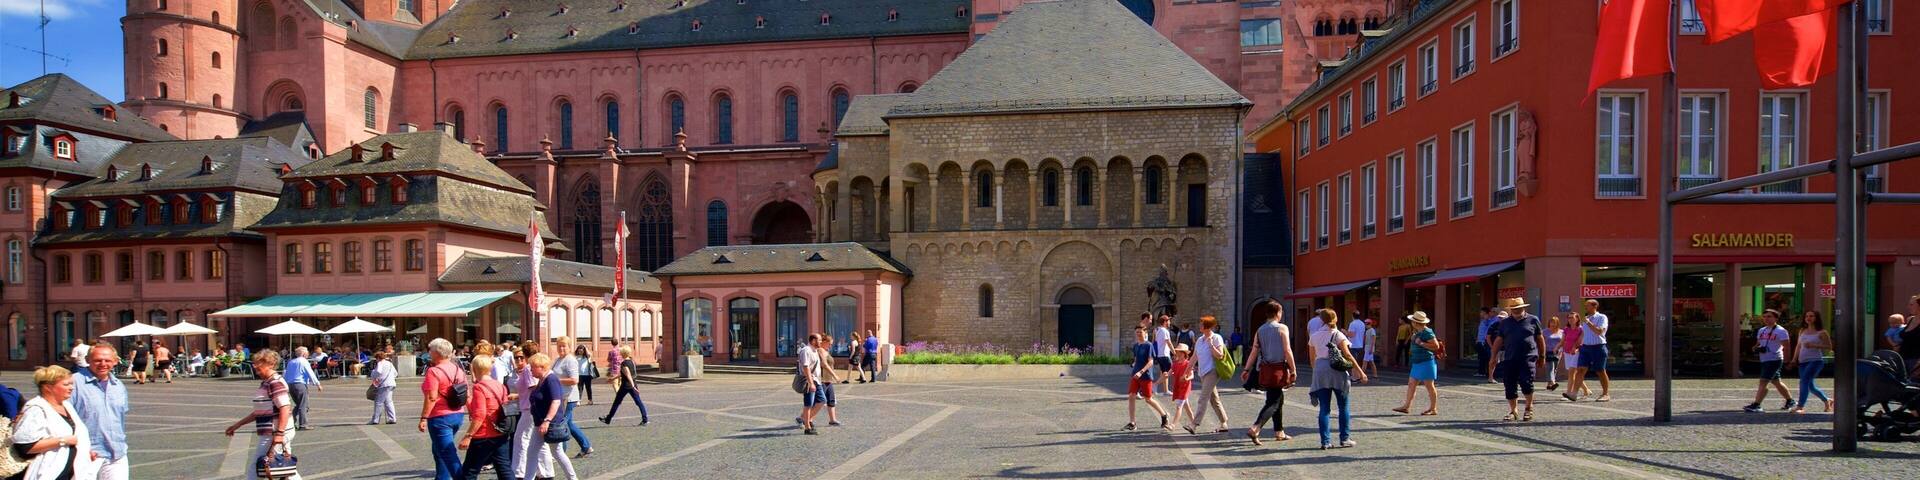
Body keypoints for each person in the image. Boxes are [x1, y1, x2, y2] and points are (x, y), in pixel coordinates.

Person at [14, 365, 96, 480]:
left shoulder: (66, 405)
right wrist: (63, 441)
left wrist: (84, 451)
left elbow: (76, 434)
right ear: (48, 387)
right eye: (66, 384)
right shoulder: (36, 409)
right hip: (50, 472)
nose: (71, 388)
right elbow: (25, 446)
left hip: (72, 472)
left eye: (71, 384)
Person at [224, 349, 292, 480]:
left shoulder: (275, 382)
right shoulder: (267, 382)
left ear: (271, 364)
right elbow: (261, 411)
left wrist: (279, 433)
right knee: (284, 467)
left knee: (257, 467)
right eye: (255, 364)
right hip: (271, 430)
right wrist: (237, 425)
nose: (255, 367)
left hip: (273, 431)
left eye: (259, 364)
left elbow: (285, 407)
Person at [1307, 309, 1367, 449]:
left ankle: (1325, 441)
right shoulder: (1338, 334)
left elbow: (1311, 360)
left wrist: (1318, 371)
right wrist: (1360, 372)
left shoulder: (1314, 336)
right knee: (1343, 406)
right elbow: (1347, 355)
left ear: (1321, 320)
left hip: (1320, 370)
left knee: (1324, 409)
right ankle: (1345, 439)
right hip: (1337, 371)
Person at [71, 343, 130, 480]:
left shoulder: (118, 385)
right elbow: (63, 418)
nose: (103, 364)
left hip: (117, 453)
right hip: (87, 454)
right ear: (87, 360)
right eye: (97, 360)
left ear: (115, 361)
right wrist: (78, 448)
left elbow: (119, 419)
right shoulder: (73, 383)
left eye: (108, 360)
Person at [1242, 299, 1294, 445]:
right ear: (1278, 313)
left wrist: (1246, 369)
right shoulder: (1282, 328)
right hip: (1278, 370)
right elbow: (1287, 350)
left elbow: (1254, 352)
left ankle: (1279, 431)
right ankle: (1256, 427)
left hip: (1264, 369)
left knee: (1277, 399)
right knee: (1273, 402)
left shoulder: (1260, 330)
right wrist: (1293, 369)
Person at [1487, 299, 1546, 422]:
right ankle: (1513, 411)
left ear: (1524, 307)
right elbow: (1499, 340)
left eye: (1518, 308)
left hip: (1528, 356)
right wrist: (1493, 357)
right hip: (1510, 357)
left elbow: (1540, 339)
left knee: (1526, 382)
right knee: (1509, 384)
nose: (1516, 310)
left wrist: (1542, 356)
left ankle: (1529, 408)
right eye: (1514, 308)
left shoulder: (1533, 320)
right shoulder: (1505, 323)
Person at [523, 352, 579, 480]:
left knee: (555, 452)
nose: (530, 370)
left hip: (550, 424)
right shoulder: (542, 380)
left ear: (541, 367)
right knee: (535, 452)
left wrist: (547, 421)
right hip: (541, 423)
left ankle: (573, 478)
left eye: (532, 367)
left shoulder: (551, 379)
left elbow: (556, 401)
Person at [456, 355, 511, 480]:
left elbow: (480, 414)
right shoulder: (500, 386)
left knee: (469, 472)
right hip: (500, 432)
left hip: (484, 434)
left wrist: (468, 436)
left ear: (474, 369)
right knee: (504, 469)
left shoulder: (479, 387)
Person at [421, 338, 468, 480]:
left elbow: (431, 397)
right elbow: (467, 392)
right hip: (457, 414)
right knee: (439, 449)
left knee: (447, 452)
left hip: (440, 416)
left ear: (437, 353)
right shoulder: (458, 370)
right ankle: (442, 477)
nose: (429, 352)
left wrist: (424, 417)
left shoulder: (433, 371)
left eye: (431, 350)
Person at [510, 343, 555, 480]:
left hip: (529, 409)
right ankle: (545, 472)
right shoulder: (533, 367)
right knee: (538, 441)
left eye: (520, 356)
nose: (518, 360)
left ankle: (520, 472)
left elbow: (534, 387)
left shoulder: (529, 369)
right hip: (531, 408)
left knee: (521, 439)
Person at [1743, 309, 1795, 413]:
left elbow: (1787, 346)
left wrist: (1787, 360)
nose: (1766, 318)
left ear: (1776, 318)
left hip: (1775, 359)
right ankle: (1790, 401)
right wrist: (1755, 347)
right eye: (1765, 316)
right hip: (1764, 359)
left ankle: (1757, 404)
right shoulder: (1762, 330)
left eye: (1769, 316)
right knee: (1776, 381)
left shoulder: (1781, 331)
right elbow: (1759, 342)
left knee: (1763, 381)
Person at [1185, 315, 1230, 435]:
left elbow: (1220, 355)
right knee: (1214, 399)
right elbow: (1194, 356)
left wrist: (1211, 345)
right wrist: (1187, 369)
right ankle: (1224, 422)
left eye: (1201, 324)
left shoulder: (1216, 338)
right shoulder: (1200, 340)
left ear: (1208, 326)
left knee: (1203, 398)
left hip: (1212, 371)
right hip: (1203, 372)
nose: (1199, 326)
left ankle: (1194, 424)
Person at [1393, 311, 1443, 416]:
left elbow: (1436, 346)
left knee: (1429, 385)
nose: (1412, 322)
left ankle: (1433, 408)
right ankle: (1406, 406)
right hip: (1417, 362)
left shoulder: (1427, 332)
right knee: (1411, 384)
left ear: (1416, 322)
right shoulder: (1417, 332)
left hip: (1426, 362)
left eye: (1413, 321)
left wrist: (1421, 343)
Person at [551, 338, 593, 458]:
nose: (561, 348)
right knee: (569, 423)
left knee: (561, 424)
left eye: (564, 346)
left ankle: (560, 453)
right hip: (560, 396)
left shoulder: (570, 360)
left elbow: (575, 380)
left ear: (569, 347)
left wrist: (556, 380)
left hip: (568, 397)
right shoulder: (558, 359)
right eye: (559, 346)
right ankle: (586, 446)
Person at [1787, 310, 1834, 414]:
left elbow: (1829, 347)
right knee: (1810, 386)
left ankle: (1800, 406)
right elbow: (1799, 346)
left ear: (1816, 318)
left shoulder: (1822, 332)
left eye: (1811, 316)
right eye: (1807, 316)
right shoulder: (1802, 330)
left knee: (1803, 382)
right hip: (1803, 361)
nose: (1809, 318)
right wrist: (1794, 359)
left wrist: (1814, 345)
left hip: (1815, 361)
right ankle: (1827, 400)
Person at [1124, 326, 1169, 432]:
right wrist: (1134, 364)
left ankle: (1164, 415)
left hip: (1145, 376)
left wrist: (1141, 371)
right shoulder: (1135, 346)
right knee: (1131, 396)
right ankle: (1132, 423)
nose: (1138, 334)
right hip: (1135, 375)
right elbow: (1136, 359)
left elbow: (1151, 362)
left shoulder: (1148, 345)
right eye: (1137, 332)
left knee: (1148, 399)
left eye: (1140, 332)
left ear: (1145, 333)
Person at [599, 346, 651, 426]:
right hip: (633, 383)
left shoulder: (624, 363)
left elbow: (628, 374)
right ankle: (645, 419)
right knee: (638, 402)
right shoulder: (632, 361)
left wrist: (632, 386)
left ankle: (608, 419)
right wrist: (613, 378)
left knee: (617, 402)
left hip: (626, 385)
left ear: (622, 353)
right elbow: (623, 373)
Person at [1573, 299, 1613, 401]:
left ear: (1594, 306)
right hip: (1585, 347)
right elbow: (1583, 334)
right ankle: (1573, 393)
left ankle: (1605, 394)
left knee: (1600, 371)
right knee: (1580, 370)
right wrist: (1577, 345)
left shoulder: (1601, 317)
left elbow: (1599, 331)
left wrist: (1588, 322)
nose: (1585, 307)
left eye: (1587, 305)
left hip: (1598, 347)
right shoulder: (1586, 318)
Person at [284, 346, 322, 430]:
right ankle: (303, 425)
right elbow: (310, 373)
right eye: (307, 352)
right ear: (304, 353)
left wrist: (285, 385)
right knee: (303, 405)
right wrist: (317, 384)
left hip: (290, 385)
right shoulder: (304, 361)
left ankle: (290, 422)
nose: (308, 353)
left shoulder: (291, 362)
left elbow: (286, 374)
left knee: (299, 405)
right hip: (300, 384)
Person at [797, 334, 827, 435]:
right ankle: (807, 428)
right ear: (813, 340)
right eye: (819, 340)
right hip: (809, 381)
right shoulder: (806, 350)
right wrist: (811, 383)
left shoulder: (815, 351)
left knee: (822, 401)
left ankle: (806, 419)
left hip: (816, 381)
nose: (821, 342)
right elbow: (806, 367)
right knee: (808, 404)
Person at [815, 336, 844, 427]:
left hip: (828, 380)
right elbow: (824, 364)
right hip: (822, 379)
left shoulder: (826, 351)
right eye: (829, 344)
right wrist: (835, 375)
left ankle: (832, 420)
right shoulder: (820, 350)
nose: (830, 346)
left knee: (831, 400)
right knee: (818, 401)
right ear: (824, 341)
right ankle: (804, 418)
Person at [1167, 343, 1194, 433]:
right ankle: (1194, 422)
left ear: (1184, 353)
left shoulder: (1188, 363)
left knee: (1179, 406)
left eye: (1179, 352)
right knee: (1186, 406)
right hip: (1178, 386)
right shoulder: (1175, 364)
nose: (1177, 353)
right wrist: (1165, 375)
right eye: (1177, 352)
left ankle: (1173, 425)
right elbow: (1169, 373)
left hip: (1185, 387)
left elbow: (1192, 375)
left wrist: (1187, 378)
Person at [368, 350, 398, 424]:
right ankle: (392, 418)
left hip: (384, 385)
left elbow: (378, 371)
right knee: (389, 402)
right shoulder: (390, 363)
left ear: (378, 358)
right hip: (391, 384)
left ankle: (375, 420)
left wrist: (374, 375)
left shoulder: (380, 363)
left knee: (378, 402)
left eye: (376, 358)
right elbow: (395, 373)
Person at [1152, 315, 1174, 396]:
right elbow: (1169, 343)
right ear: (1165, 322)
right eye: (1168, 321)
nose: (1169, 322)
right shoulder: (1165, 331)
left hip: (1160, 355)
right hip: (1165, 355)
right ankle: (1155, 384)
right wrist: (1175, 353)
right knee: (1170, 372)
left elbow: (1154, 341)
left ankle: (1166, 390)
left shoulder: (1157, 330)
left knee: (1164, 373)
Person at [1542, 316, 1564, 392]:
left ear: (1557, 323)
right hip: (1548, 351)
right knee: (1550, 367)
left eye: (1554, 322)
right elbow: (1542, 342)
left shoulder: (1561, 332)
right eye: (1551, 322)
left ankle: (1549, 384)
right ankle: (1553, 382)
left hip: (1558, 352)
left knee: (1555, 368)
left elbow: (1563, 341)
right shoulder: (1544, 331)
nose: (1553, 324)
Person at [1474, 307, 1498, 378]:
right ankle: (1483, 372)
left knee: (1485, 358)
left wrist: (1484, 341)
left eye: (1482, 313)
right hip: (1480, 341)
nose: (1480, 314)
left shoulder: (1491, 320)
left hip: (1484, 342)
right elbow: (1481, 331)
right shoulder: (1484, 321)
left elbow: (1487, 332)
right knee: (1482, 357)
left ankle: (1485, 372)